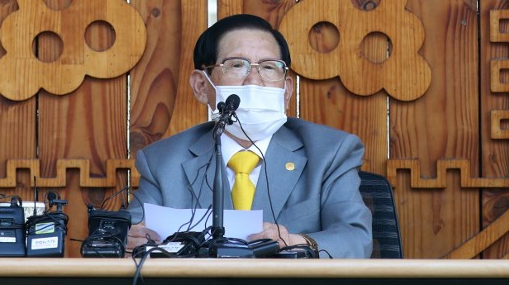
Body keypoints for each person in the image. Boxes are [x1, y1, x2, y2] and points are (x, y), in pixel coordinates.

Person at [125, 14, 372, 258]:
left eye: (268, 67)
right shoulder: (162, 161)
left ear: (286, 90)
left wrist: (297, 241)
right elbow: (131, 237)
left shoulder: (330, 152)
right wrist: (129, 241)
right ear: (202, 86)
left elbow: (356, 239)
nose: (254, 81)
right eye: (236, 65)